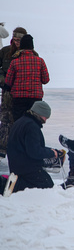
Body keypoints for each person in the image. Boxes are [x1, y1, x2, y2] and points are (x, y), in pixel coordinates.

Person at [1, 101, 63, 195]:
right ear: (39, 113)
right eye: (45, 116)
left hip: (17, 165)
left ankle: (13, 182)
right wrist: (51, 153)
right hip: (26, 168)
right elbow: (34, 151)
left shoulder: (21, 122)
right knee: (47, 184)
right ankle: (6, 184)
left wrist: (51, 151)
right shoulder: (31, 127)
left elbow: (32, 146)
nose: (46, 120)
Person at [4, 34, 50, 121]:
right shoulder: (40, 61)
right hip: (36, 99)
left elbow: (8, 81)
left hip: (19, 99)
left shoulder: (15, 62)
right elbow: (45, 80)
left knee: (19, 123)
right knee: (34, 122)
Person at [0, 27, 27, 157]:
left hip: (21, 93)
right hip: (7, 92)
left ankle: (18, 147)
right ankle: (2, 148)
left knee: (19, 120)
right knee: (5, 118)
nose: (16, 42)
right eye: (15, 39)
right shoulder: (5, 52)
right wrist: (3, 81)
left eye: (19, 40)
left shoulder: (29, 54)